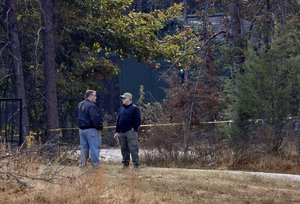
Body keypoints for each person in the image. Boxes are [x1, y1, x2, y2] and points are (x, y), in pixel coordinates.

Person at [76, 90, 103, 169]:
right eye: (94, 96)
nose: (96, 97)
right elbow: (95, 118)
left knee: (84, 149)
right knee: (94, 148)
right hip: (91, 130)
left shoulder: (80, 104)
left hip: (81, 130)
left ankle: (82, 165)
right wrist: (99, 127)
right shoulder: (91, 106)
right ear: (90, 96)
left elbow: (76, 116)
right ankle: (95, 166)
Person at [114, 92, 141, 169]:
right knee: (124, 149)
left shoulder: (134, 108)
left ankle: (136, 165)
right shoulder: (121, 108)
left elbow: (138, 121)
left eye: (124, 98)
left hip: (130, 132)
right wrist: (117, 131)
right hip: (122, 132)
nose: (122, 99)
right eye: (122, 98)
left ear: (129, 99)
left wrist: (133, 128)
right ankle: (125, 164)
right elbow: (118, 120)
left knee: (133, 148)